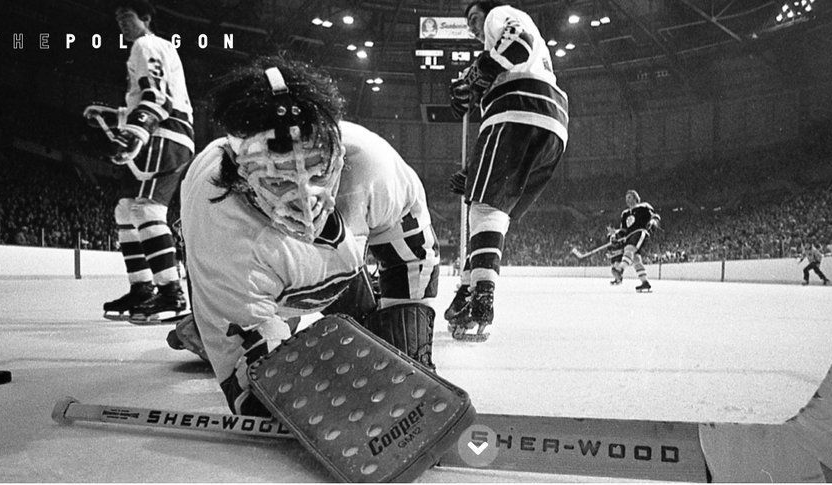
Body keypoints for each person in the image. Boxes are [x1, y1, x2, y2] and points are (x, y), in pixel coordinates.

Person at [177, 56, 440, 416]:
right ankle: (213, 326)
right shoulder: (219, 220)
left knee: (378, 343)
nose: (304, 196)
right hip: (260, 280)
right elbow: (254, 394)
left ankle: (246, 323)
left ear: (338, 149)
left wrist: (409, 359)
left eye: (317, 169)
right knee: (255, 349)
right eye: (279, 179)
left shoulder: (372, 165)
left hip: (333, 271)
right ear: (237, 176)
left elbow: (412, 260)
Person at [444, 0, 569, 341]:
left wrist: (473, 77)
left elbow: (517, 45)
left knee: (484, 208)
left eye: (474, 17)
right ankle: (469, 288)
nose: (473, 26)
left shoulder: (501, 15)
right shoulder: (508, 51)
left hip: (518, 108)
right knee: (491, 213)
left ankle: (480, 299)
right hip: (552, 125)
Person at [86, 0, 193, 321]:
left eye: (126, 15)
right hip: (163, 130)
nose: (121, 21)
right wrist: (118, 116)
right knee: (125, 210)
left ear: (145, 18)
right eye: (117, 17)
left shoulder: (147, 45)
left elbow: (157, 96)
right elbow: (155, 96)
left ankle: (171, 292)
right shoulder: (147, 48)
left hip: (165, 134)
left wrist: (136, 130)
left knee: (147, 209)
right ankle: (142, 288)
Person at [610, 190, 661, 292]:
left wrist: (653, 221)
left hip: (639, 232)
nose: (627, 200)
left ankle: (620, 269)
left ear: (635, 198)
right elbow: (623, 230)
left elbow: (655, 216)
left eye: (629, 197)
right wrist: (616, 235)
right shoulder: (624, 214)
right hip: (629, 236)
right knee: (636, 260)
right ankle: (645, 282)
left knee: (629, 249)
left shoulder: (643, 207)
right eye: (626, 198)